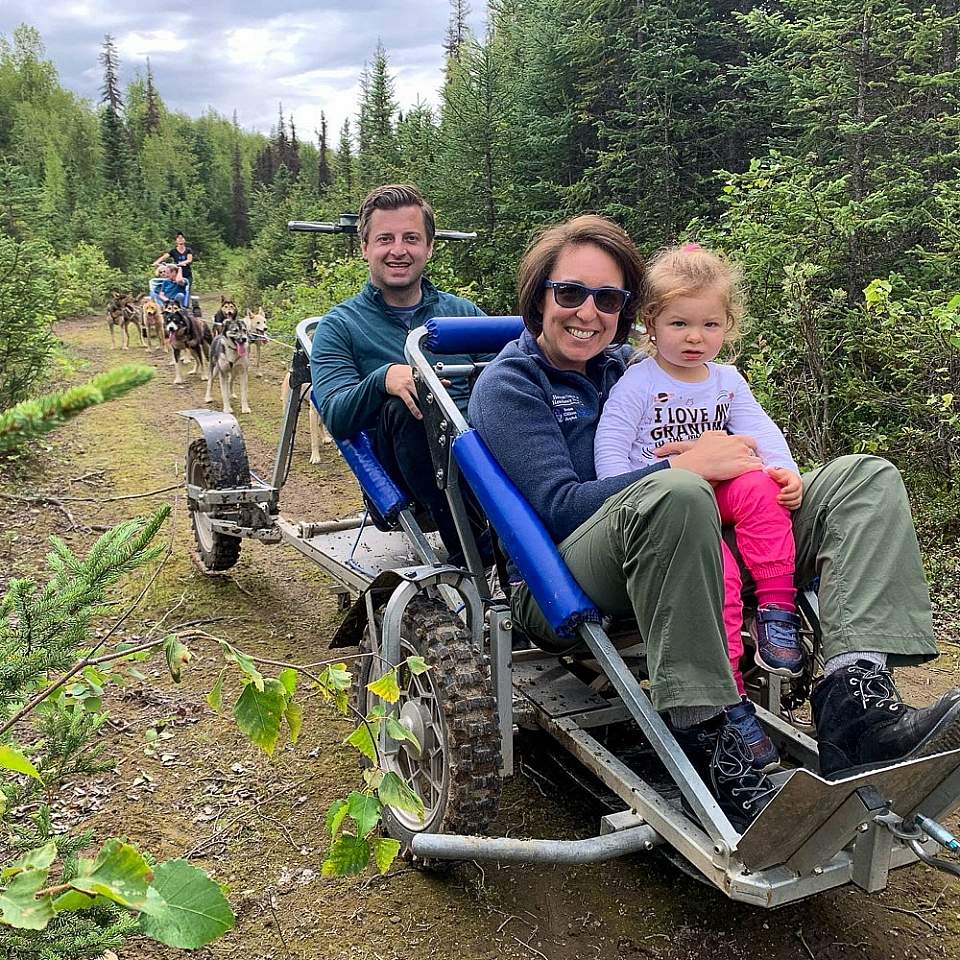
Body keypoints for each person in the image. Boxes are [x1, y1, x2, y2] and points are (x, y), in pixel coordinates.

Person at [468, 214, 960, 832]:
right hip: (561, 577)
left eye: (608, 298)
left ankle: (855, 704)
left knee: (864, 478)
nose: (587, 312)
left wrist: (777, 475)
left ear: (628, 310)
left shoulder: (634, 366)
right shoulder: (510, 384)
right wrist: (696, 467)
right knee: (677, 488)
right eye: (570, 293)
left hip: (693, 543)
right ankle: (710, 729)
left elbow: (730, 422)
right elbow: (558, 505)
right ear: (539, 295)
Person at [593, 243, 803, 771]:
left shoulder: (727, 381)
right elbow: (610, 457)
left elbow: (759, 431)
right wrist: (664, 473)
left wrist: (785, 471)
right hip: (676, 503)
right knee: (718, 574)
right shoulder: (637, 384)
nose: (694, 338)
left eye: (710, 325)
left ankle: (778, 609)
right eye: (680, 323)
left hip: (723, 487)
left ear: (728, 326)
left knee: (760, 488)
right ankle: (725, 690)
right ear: (650, 324)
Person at [309, 183, 487, 557]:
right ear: (365, 248)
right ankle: (475, 552)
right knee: (405, 401)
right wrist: (382, 380)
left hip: (481, 461)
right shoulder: (340, 326)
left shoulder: (463, 314)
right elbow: (336, 415)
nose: (398, 250)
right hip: (402, 483)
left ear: (429, 247)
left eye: (411, 238)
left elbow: (513, 371)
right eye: (385, 239)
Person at [153, 231, 194, 305]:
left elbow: (189, 259)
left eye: (182, 238)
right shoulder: (173, 251)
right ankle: (169, 303)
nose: (180, 240)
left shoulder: (188, 250)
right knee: (172, 289)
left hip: (186, 274)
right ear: (176, 241)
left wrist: (182, 263)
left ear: (184, 240)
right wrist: (156, 262)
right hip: (175, 273)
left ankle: (185, 306)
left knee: (186, 290)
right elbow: (164, 257)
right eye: (178, 238)